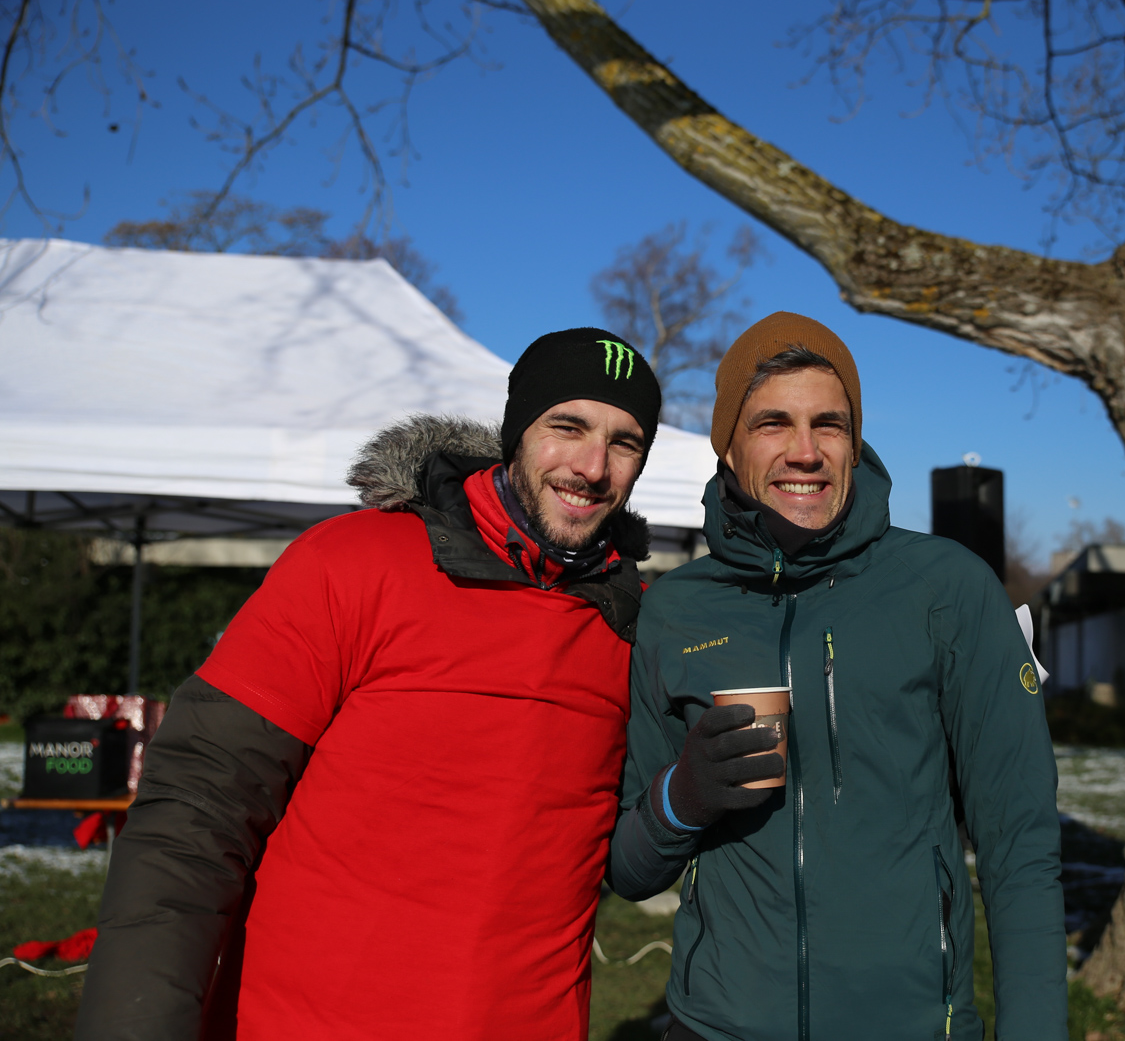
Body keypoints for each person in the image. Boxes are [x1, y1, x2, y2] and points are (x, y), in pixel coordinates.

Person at [77, 329, 662, 1041]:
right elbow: (195, 812)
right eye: (567, 427)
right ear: (516, 434)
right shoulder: (353, 562)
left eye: (624, 443)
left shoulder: (635, 625)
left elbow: (633, 843)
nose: (592, 466)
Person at [607, 312, 1067, 1041]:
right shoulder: (677, 610)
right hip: (716, 1026)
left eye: (830, 424)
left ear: (855, 442)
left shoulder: (945, 588)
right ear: (728, 446)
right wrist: (684, 795)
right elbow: (631, 872)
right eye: (772, 423)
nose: (805, 451)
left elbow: (1020, 843)